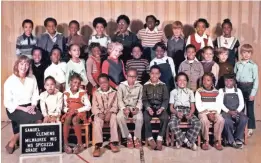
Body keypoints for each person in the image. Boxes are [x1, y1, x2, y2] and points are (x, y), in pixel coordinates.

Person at [4, 55, 43, 154]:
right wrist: (23, 109)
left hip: (29, 106)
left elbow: (35, 94)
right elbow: (8, 102)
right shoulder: (9, 81)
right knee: (29, 120)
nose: (24, 66)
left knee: (39, 118)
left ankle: (18, 139)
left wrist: (33, 105)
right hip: (15, 108)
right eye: (21, 64)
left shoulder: (32, 78)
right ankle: (13, 142)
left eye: (26, 64)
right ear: (17, 65)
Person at [168, 72, 201, 151]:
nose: (182, 82)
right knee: (171, 123)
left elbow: (192, 107)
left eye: (184, 80)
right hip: (177, 110)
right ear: (176, 82)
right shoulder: (173, 92)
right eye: (180, 80)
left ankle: (182, 140)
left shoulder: (190, 92)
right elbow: (171, 108)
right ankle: (188, 142)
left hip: (187, 110)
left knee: (198, 123)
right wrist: (176, 112)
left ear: (187, 82)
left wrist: (190, 113)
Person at [61, 73, 91, 154]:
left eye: (78, 83)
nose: (76, 85)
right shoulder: (66, 93)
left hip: (79, 113)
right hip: (69, 112)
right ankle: (66, 143)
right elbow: (63, 107)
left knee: (75, 119)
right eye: (74, 82)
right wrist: (68, 110)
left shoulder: (82, 93)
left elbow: (88, 106)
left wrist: (77, 110)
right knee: (68, 118)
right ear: (70, 82)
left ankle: (80, 144)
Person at [92, 74, 119, 157]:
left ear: (109, 82)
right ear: (99, 84)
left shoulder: (114, 92)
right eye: (101, 83)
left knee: (114, 118)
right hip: (100, 113)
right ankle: (98, 145)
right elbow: (94, 106)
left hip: (110, 113)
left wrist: (110, 112)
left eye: (105, 82)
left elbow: (115, 105)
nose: (103, 84)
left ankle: (113, 142)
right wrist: (99, 113)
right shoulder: (96, 93)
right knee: (97, 120)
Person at [234, 44, 259, 137]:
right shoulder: (237, 64)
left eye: (248, 53)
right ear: (241, 53)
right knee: (240, 108)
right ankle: (241, 127)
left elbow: (256, 80)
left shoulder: (253, 66)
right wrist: (235, 89)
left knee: (250, 109)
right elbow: (234, 78)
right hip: (240, 87)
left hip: (249, 87)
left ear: (251, 54)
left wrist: (253, 93)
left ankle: (250, 128)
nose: (246, 55)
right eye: (244, 52)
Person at [142, 65, 169, 151]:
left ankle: (160, 138)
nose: (154, 75)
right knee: (146, 117)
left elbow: (165, 99)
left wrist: (162, 108)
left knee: (165, 117)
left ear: (159, 75)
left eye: (156, 74)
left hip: (159, 107)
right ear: (150, 74)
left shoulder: (163, 85)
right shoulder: (145, 85)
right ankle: (150, 138)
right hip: (150, 107)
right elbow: (144, 99)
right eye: (152, 73)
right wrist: (148, 108)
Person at [195, 72, 224, 151]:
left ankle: (216, 141)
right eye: (204, 80)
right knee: (204, 120)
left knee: (221, 119)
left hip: (214, 112)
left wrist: (213, 113)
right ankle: (205, 140)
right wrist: (207, 113)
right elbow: (198, 105)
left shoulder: (217, 92)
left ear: (212, 82)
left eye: (208, 80)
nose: (205, 81)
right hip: (203, 112)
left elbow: (219, 105)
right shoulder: (199, 91)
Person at [117, 68, 143, 149]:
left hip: (134, 107)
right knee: (119, 117)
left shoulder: (140, 86)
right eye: (130, 76)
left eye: (134, 77)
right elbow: (119, 100)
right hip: (125, 107)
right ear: (126, 76)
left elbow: (140, 100)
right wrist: (124, 108)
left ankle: (136, 138)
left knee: (139, 117)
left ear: (137, 77)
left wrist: (138, 108)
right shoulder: (121, 86)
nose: (132, 78)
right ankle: (128, 137)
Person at [219, 74, 248, 149]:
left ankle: (238, 138)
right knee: (227, 120)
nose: (228, 82)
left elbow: (242, 103)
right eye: (226, 80)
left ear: (234, 82)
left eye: (230, 80)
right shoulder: (221, 91)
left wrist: (237, 111)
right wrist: (228, 111)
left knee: (244, 119)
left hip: (237, 111)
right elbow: (220, 104)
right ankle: (230, 140)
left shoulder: (238, 90)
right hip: (226, 112)